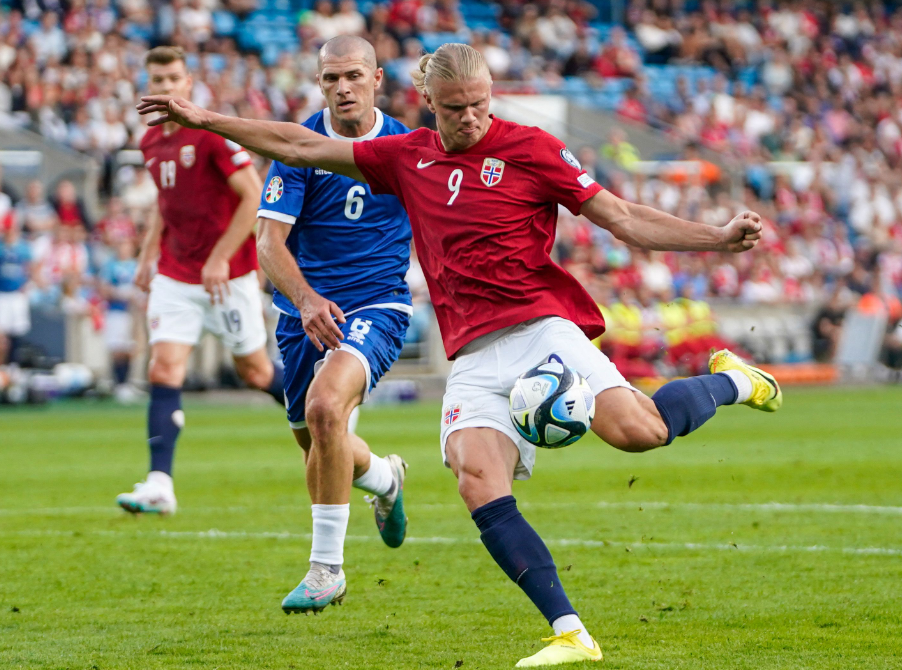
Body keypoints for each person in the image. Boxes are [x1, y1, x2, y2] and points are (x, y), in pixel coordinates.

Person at [138, 43, 782, 666]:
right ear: (427, 102)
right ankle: (570, 632)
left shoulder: (532, 148)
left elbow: (623, 219)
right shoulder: (406, 157)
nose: (469, 117)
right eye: (453, 108)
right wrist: (208, 119)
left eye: (478, 104)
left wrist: (718, 238)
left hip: (540, 330)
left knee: (641, 432)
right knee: (475, 480)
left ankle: (732, 381)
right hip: (471, 355)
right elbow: (303, 145)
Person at [255, 36, 412, 614]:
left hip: (377, 306)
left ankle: (327, 571)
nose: (341, 87)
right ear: (319, 83)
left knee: (325, 410)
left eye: (352, 76)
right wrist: (305, 298)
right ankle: (385, 480)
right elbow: (269, 242)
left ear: (376, 79)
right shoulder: (300, 147)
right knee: (317, 441)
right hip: (305, 314)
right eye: (329, 79)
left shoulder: (407, 148)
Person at [116, 46, 284, 516]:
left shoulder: (211, 134)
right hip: (176, 273)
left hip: (227, 276)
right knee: (163, 368)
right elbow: (166, 202)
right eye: (157, 79)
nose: (166, 87)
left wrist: (219, 257)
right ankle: (159, 484)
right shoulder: (150, 140)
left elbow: (254, 198)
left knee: (256, 372)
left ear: (188, 84)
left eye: (173, 78)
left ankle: (324, 409)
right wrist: (149, 253)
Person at [100, 239, 139, 400]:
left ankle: (127, 383)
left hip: (133, 312)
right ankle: (118, 383)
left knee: (131, 348)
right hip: (116, 311)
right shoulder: (110, 266)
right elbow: (103, 288)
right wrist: (120, 293)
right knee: (117, 348)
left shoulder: (136, 265)